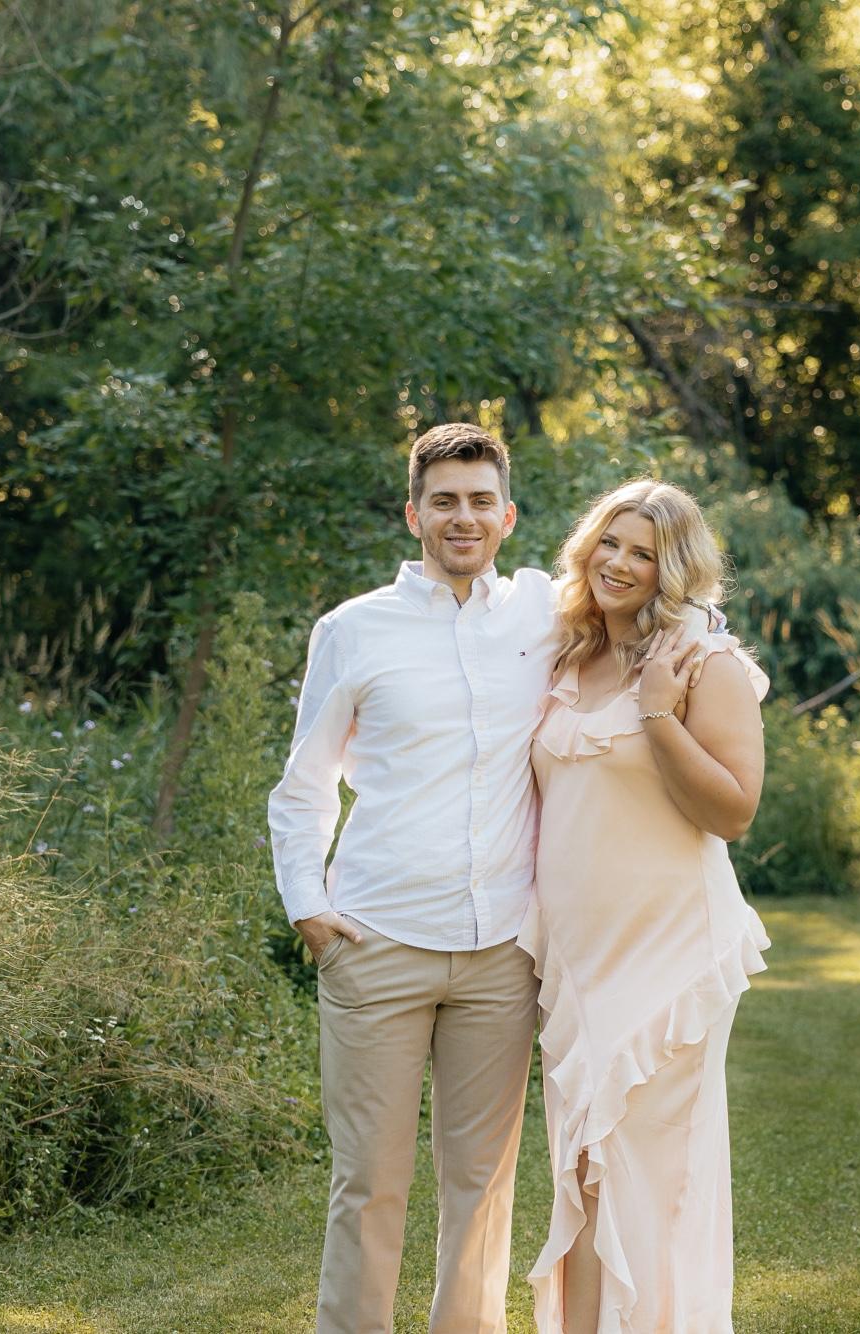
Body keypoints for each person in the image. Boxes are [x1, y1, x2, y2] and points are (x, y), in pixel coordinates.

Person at [268, 425, 716, 1333]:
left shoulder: (544, 616)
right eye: (444, 501)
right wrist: (309, 909)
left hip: (503, 953)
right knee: (369, 1182)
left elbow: (666, 609)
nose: (462, 517)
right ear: (414, 515)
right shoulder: (353, 630)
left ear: (508, 517)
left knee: (483, 1185)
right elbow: (303, 784)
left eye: (481, 501)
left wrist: (698, 635)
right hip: (378, 941)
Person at [517, 479, 770, 1333]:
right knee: (584, 1172)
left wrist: (658, 714)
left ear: (676, 570)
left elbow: (733, 811)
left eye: (644, 553)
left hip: (669, 953)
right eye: (610, 542)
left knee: (649, 1177)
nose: (620, 563)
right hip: (578, 962)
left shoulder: (705, 663)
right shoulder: (566, 654)